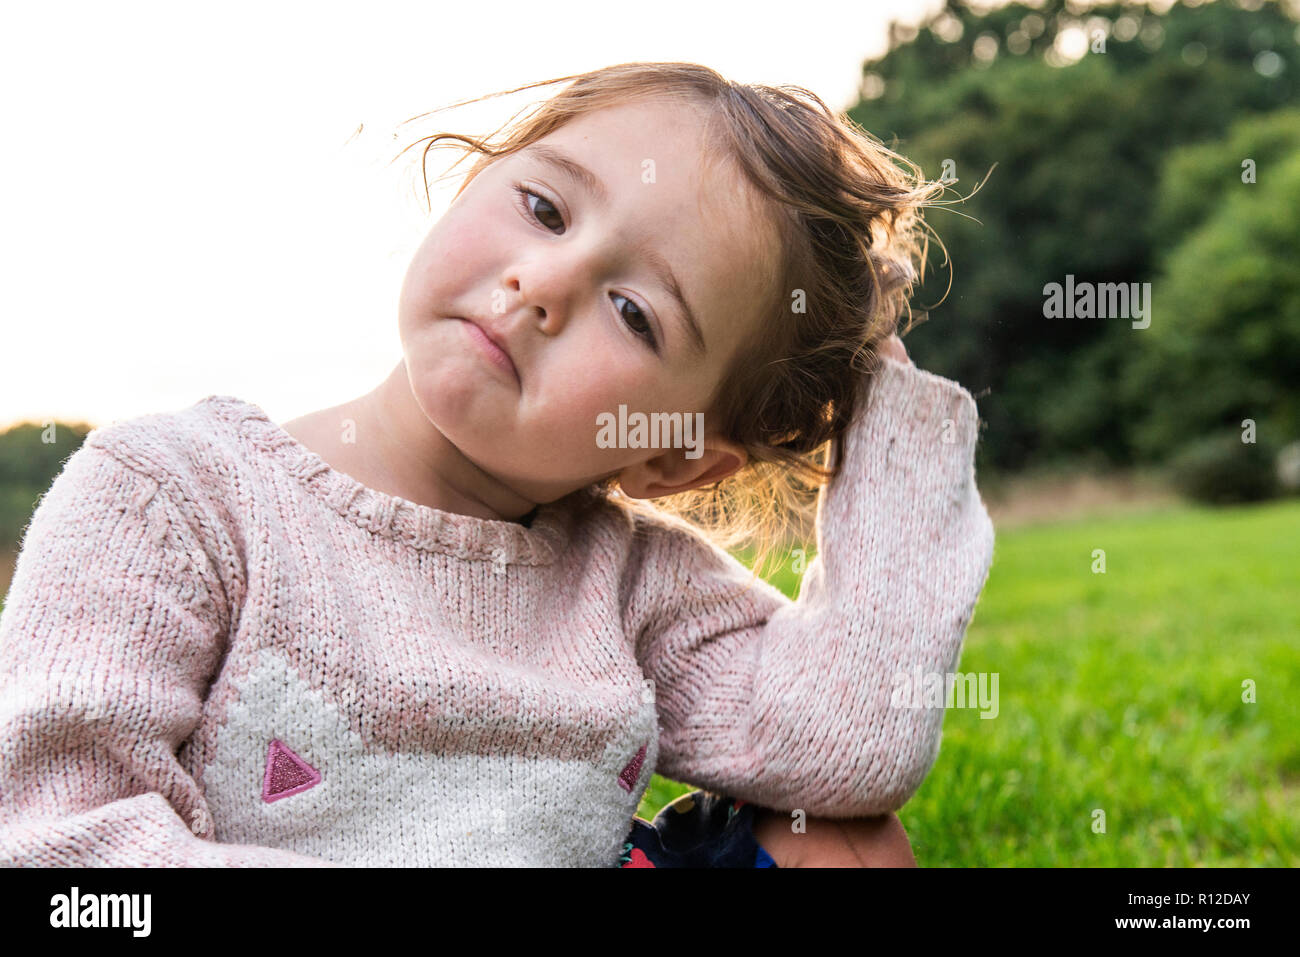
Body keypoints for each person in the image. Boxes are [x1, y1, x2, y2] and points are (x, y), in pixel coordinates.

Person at [0, 62, 994, 867]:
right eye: (545, 208)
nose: (544, 283)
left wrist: (897, 424)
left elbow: (846, 745)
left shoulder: (631, 585)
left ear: (674, 463)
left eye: (636, 313)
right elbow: (59, 847)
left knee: (844, 844)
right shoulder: (175, 498)